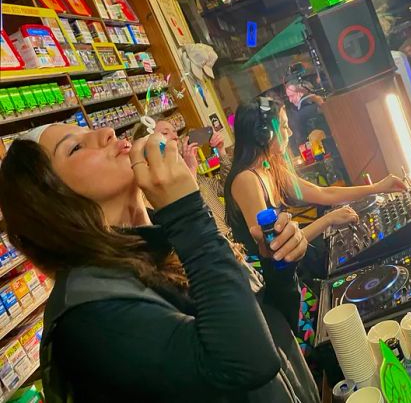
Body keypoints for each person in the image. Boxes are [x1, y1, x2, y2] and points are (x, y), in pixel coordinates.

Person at [0, 124, 319, 402]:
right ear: (52, 202)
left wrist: (278, 266)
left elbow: (274, 336)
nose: (106, 133)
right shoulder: (88, 317)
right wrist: (188, 213)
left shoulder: (167, 240)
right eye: (76, 147)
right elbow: (250, 361)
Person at [225, 98, 406, 351]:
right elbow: (277, 247)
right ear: (265, 135)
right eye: (284, 127)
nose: (289, 132)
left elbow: (324, 193)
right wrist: (329, 219)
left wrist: (377, 187)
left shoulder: (270, 167)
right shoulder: (246, 180)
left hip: (291, 276)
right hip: (274, 290)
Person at [284, 78, 327, 150]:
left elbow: (301, 141)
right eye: (288, 97)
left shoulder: (300, 114)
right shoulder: (320, 102)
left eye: (292, 96)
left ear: (301, 93)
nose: (290, 100)